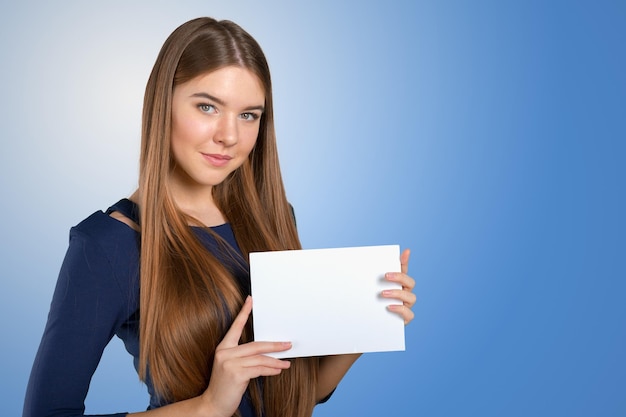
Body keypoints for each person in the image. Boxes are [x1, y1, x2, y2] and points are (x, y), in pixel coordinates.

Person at [23, 17, 417, 417]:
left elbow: (295, 392)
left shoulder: (275, 218)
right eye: (208, 106)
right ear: (164, 104)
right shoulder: (109, 245)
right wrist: (209, 405)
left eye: (248, 115)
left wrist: (365, 326)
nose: (229, 135)